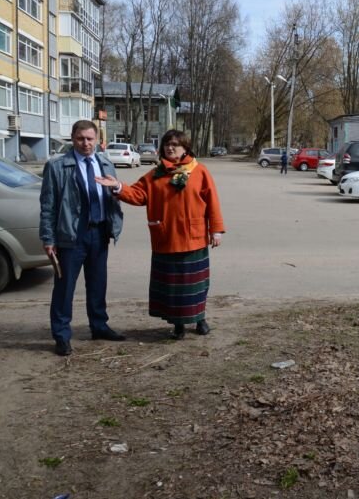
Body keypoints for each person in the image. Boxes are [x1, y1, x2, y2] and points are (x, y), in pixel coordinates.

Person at [96, 130, 225, 340]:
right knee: (173, 288)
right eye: (167, 144)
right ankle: (178, 325)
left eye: (175, 144)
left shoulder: (199, 171)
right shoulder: (155, 175)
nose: (170, 148)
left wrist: (216, 230)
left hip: (194, 239)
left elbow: (213, 202)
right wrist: (118, 186)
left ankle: (200, 318)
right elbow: (138, 195)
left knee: (196, 285)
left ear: (185, 148)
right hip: (166, 240)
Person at [40, 120, 125, 356]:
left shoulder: (105, 163)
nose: (86, 143)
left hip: (99, 233)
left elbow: (114, 196)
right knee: (64, 287)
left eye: (90, 138)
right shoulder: (58, 167)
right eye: (80, 139)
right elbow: (48, 205)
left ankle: (99, 326)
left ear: (97, 139)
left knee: (98, 284)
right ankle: (61, 335)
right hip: (71, 236)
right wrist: (48, 238)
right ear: (73, 139)